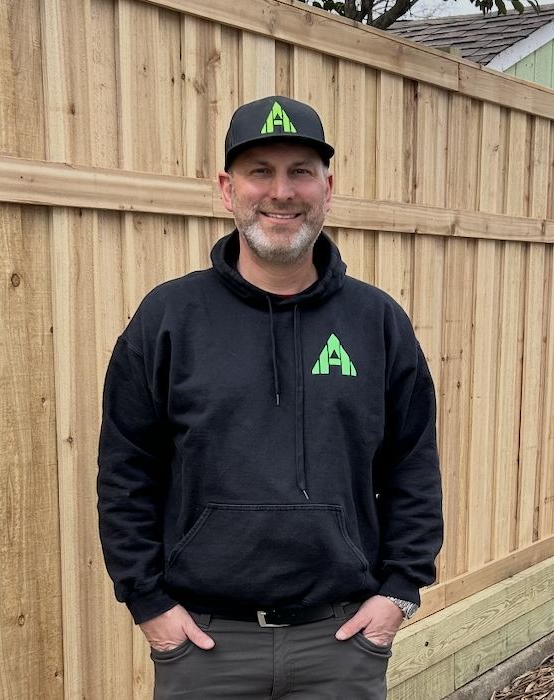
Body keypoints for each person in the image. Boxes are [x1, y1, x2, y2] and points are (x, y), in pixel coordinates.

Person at [97, 95, 443, 699]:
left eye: (299, 172)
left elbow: (412, 466)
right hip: (204, 646)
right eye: (260, 171)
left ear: (326, 188)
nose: (281, 192)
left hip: (341, 643)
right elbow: (127, 469)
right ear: (228, 189)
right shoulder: (169, 318)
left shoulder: (377, 322)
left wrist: (399, 592)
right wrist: (148, 602)